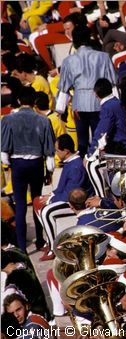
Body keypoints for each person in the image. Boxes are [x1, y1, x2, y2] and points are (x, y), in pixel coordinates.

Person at [1, 87, 55, 253]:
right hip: (37, 164)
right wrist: (49, 173)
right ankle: (39, 240)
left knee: (21, 205)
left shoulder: (8, 120)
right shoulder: (44, 121)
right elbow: (50, 152)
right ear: (35, 102)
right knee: (37, 201)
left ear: (18, 101)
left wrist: (9, 166)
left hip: (17, 164)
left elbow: (3, 152)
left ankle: (22, 246)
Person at [56, 24, 117, 157]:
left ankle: (85, 170)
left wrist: (60, 110)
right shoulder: (104, 57)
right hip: (99, 101)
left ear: (74, 41)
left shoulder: (68, 61)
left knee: (82, 142)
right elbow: (113, 82)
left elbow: (63, 89)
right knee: (100, 139)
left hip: (79, 104)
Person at [34, 134, 92, 261]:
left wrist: (51, 200)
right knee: (38, 202)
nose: (56, 153)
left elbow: (70, 195)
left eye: (57, 150)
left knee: (46, 211)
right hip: (68, 197)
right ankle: (50, 241)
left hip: (77, 202)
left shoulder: (76, 167)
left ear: (66, 151)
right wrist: (52, 195)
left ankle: (53, 248)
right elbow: (62, 187)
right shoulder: (70, 162)